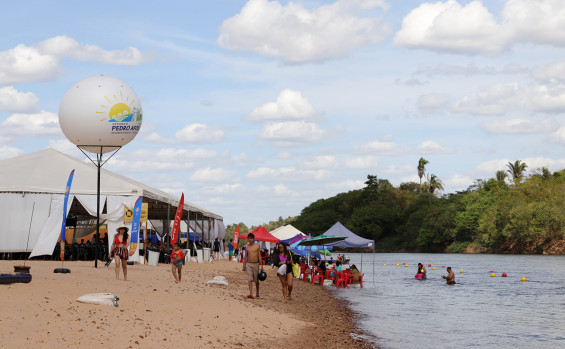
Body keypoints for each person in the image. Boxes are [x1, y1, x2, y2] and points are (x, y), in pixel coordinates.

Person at [242, 233, 263, 299]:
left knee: (256, 280)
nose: (250, 239)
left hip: (256, 264)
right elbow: (245, 256)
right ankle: (251, 293)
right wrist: (244, 265)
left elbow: (259, 256)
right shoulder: (247, 247)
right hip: (249, 264)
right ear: (247, 239)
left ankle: (257, 292)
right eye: (249, 238)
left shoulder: (257, 246)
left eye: (251, 238)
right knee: (250, 279)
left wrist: (261, 265)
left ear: (253, 239)